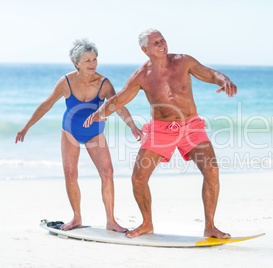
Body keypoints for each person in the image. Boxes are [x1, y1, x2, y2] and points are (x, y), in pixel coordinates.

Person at [84, 28, 237, 239]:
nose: (161, 44)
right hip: (161, 129)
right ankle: (147, 223)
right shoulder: (141, 76)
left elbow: (210, 73)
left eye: (162, 40)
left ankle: (210, 226)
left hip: (190, 126)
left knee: (211, 171)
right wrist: (99, 113)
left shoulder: (183, 61)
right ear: (145, 49)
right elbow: (119, 100)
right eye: (155, 43)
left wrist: (224, 80)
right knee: (138, 178)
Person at [15, 38, 143, 232]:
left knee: (107, 173)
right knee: (70, 174)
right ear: (76, 63)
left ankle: (111, 221)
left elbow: (118, 106)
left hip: (94, 134)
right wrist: (27, 127)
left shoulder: (103, 83)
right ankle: (76, 218)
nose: (92, 64)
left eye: (94, 59)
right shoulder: (66, 82)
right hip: (70, 132)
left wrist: (132, 126)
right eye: (87, 60)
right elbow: (47, 104)